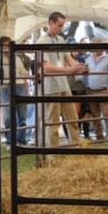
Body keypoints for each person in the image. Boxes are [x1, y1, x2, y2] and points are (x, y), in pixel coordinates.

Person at [35, 12, 86, 148]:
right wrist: (69, 70)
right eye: (59, 25)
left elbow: (68, 59)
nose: (62, 28)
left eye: (63, 25)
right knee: (52, 122)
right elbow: (46, 68)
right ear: (50, 23)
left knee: (73, 118)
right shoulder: (41, 42)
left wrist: (78, 66)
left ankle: (76, 146)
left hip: (63, 84)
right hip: (50, 86)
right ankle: (52, 152)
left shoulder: (61, 40)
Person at [0, 36, 31, 145]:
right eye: (6, 45)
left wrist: (27, 88)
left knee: (23, 116)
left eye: (10, 45)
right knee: (8, 116)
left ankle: (21, 139)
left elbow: (24, 73)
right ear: (1, 47)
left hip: (19, 85)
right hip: (5, 87)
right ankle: (10, 141)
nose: (8, 48)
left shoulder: (16, 57)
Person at [82, 42, 108, 142]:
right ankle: (99, 137)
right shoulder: (88, 58)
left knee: (107, 113)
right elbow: (85, 73)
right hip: (90, 90)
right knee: (95, 115)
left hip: (104, 90)